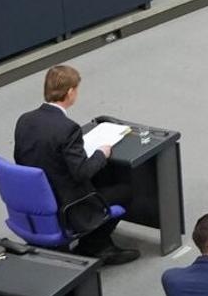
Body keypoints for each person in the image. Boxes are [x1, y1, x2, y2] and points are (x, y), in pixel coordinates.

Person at [12, 63, 133, 261]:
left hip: (36, 197)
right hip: (67, 204)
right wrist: (101, 153)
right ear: (70, 92)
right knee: (124, 191)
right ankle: (97, 245)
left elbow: (22, 158)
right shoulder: (67, 128)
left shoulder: (24, 120)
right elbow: (82, 172)